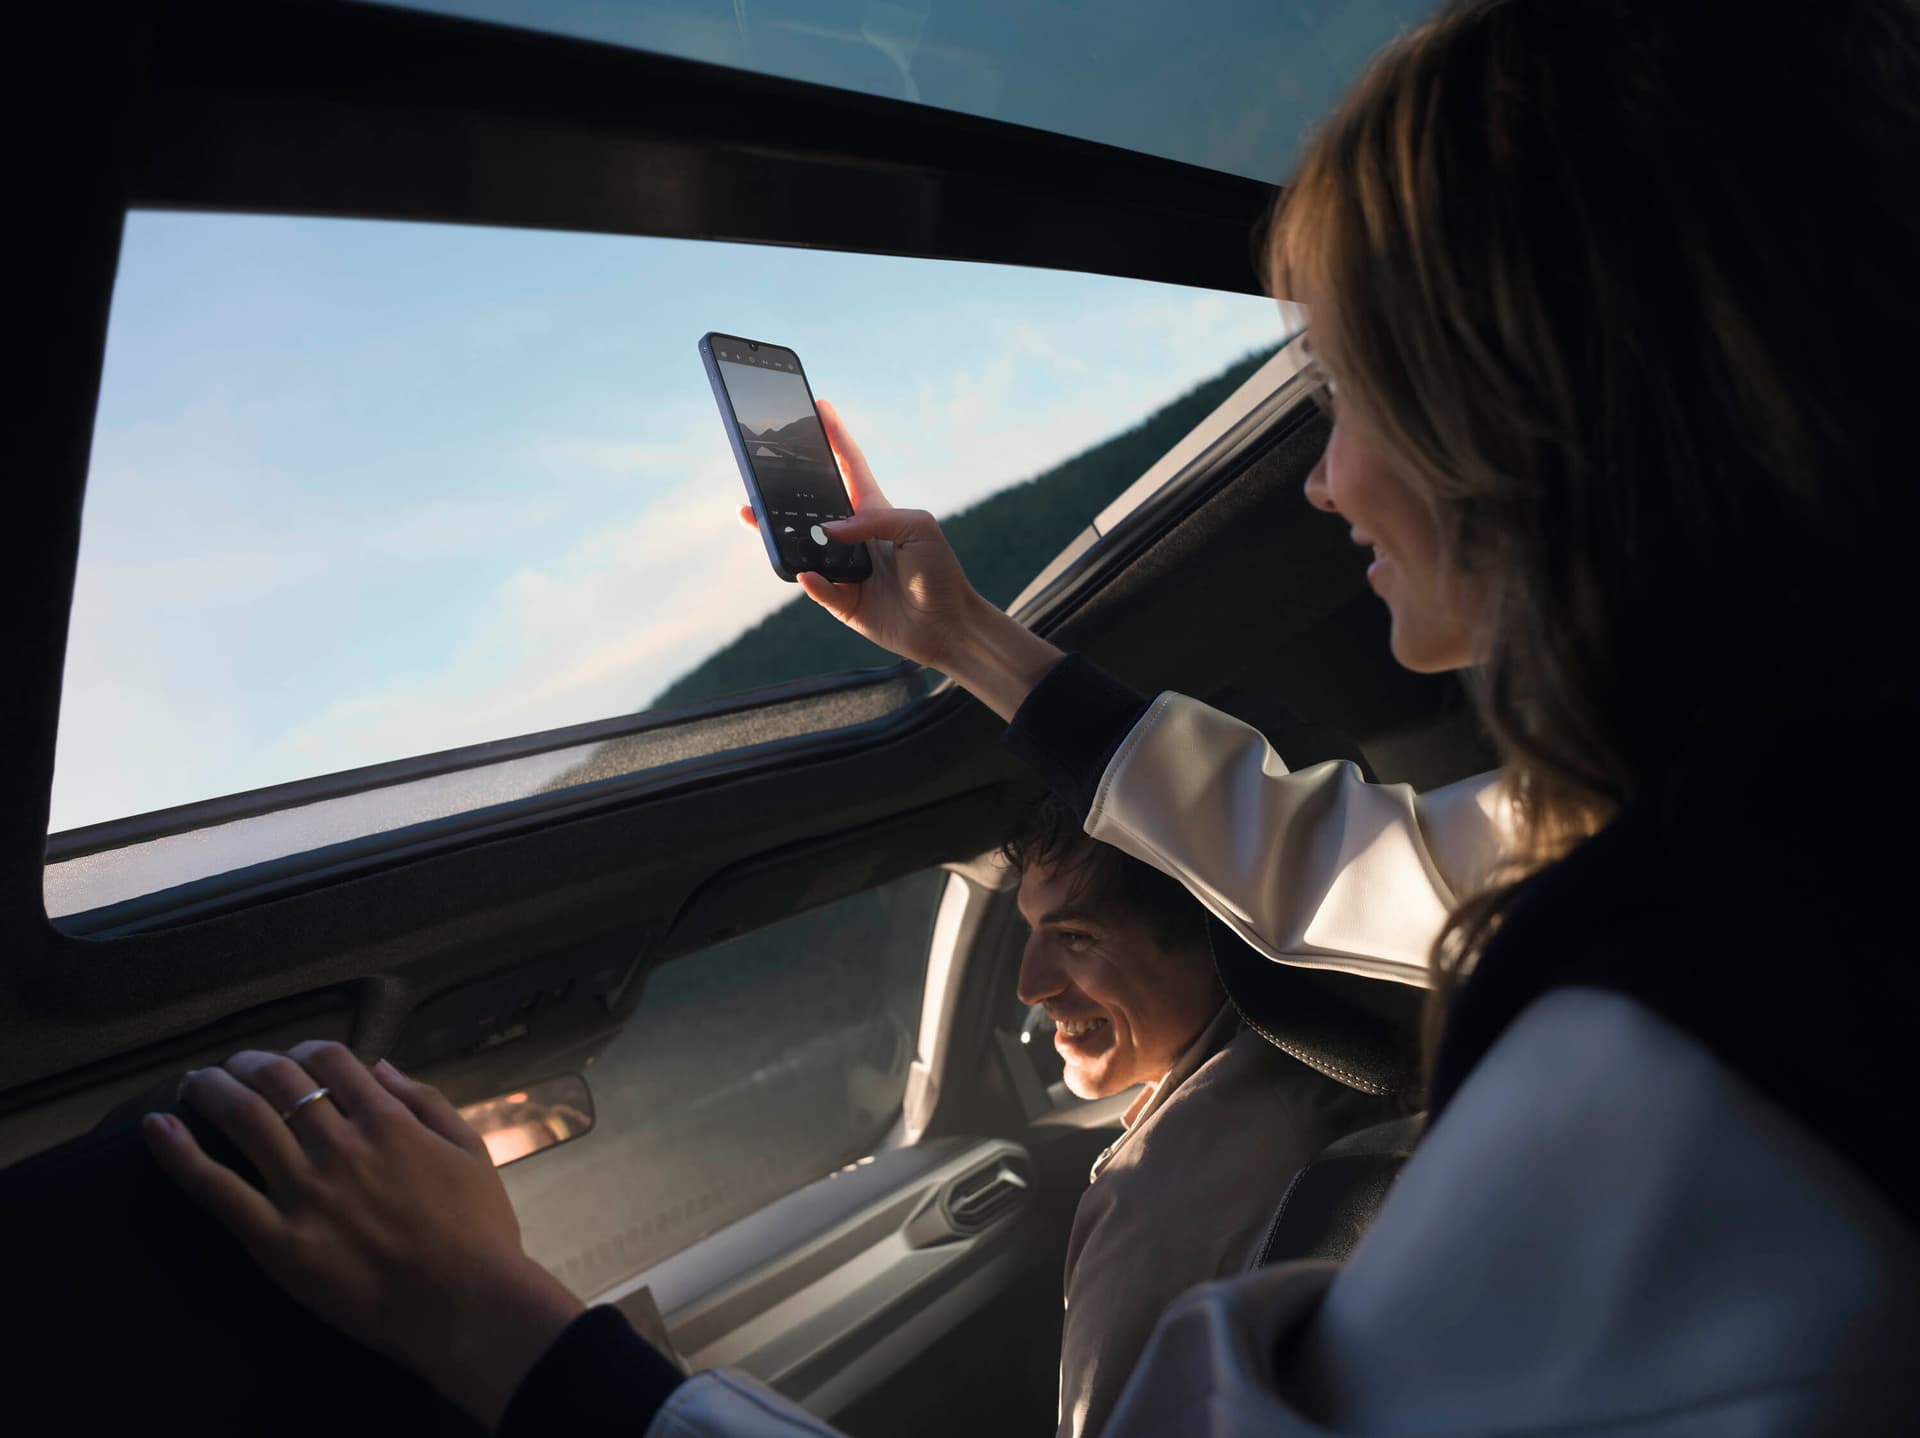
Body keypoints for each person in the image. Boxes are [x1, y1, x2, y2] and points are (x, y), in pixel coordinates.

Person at [131, 0, 1920, 1431]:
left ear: (1531, 413)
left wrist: (506, 1331)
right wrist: (961, 634)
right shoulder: (1762, 836)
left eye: (1349, 391)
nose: (1325, 480)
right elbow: (1340, 857)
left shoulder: (1699, 1039)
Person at [1003, 795, 1396, 1438]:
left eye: (1075, 937)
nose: (1029, 985)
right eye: (1031, 931)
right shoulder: (1345, 1076)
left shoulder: (1151, 1200)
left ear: (1217, 944)